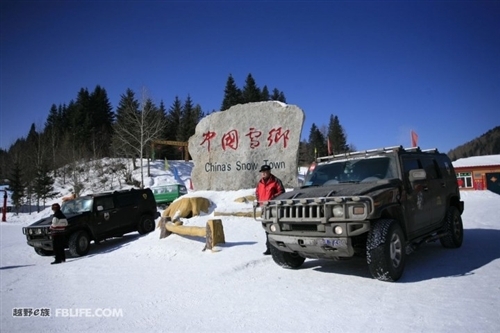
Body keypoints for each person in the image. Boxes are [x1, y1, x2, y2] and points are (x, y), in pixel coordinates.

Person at [255, 164, 285, 255]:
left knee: (274, 228)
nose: (263, 174)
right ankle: (269, 247)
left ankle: (277, 247)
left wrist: (272, 198)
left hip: (273, 208)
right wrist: (259, 201)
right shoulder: (260, 183)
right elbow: (257, 192)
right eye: (262, 172)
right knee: (266, 229)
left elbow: (282, 192)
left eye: (265, 172)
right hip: (264, 208)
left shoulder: (276, 181)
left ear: (269, 172)